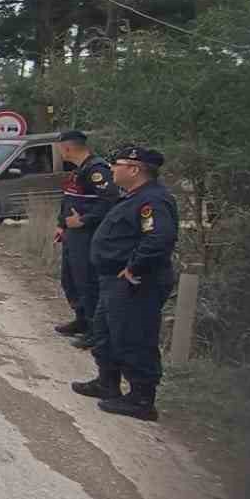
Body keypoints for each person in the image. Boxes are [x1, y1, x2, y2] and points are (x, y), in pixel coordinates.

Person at [71, 146, 178, 421]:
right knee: (106, 332)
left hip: (136, 282)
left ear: (134, 169)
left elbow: (158, 239)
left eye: (116, 164)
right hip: (112, 281)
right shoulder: (133, 197)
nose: (111, 169)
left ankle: (142, 399)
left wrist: (134, 266)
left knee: (135, 336)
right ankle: (107, 382)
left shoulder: (152, 201)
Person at [52, 131, 117, 348]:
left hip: (88, 235)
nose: (59, 152)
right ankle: (81, 319)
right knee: (70, 279)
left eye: (59, 148)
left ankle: (94, 330)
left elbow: (110, 201)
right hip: (73, 234)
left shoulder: (97, 170)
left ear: (67, 148)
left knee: (87, 281)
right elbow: (69, 199)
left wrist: (85, 220)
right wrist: (62, 224)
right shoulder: (79, 170)